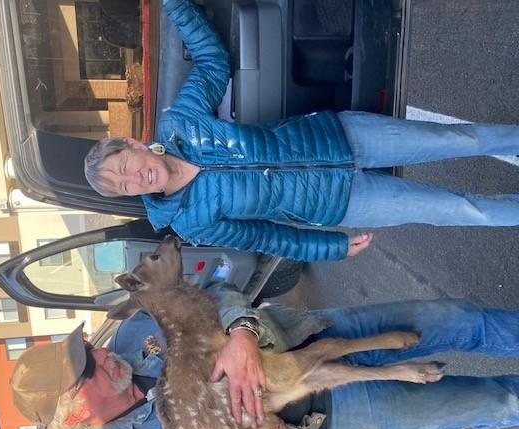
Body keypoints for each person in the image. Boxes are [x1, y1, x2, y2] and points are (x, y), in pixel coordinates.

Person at [84, 0, 519, 263]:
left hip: (340, 137)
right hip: (344, 203)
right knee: (460, 210)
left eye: (125, 165)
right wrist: (327, 248)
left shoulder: (181, 124)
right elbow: (266, 236)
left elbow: (212, 61)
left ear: (134, 144)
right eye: (123, 186)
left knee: (461, 139)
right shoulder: (189, 221)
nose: (135, 178)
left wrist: (174, 5)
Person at [10, 289, 519, 429]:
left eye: (86, 349)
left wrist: (241, 330)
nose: (101, 353)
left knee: (458, 318)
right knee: (495, 402)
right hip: (335, 414)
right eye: (88, 368)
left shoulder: (134, 333)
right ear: (75, 412)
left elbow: (215, 293)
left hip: (317, 333)